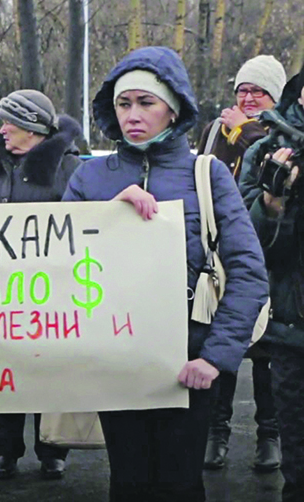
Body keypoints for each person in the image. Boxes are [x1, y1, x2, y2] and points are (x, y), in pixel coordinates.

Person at [62, 46, 269, 501]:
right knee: (128, 482)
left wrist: (214, 358)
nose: (132, 115)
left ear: (173, 109)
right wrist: (105, 216)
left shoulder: (207, 175)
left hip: (189, 366)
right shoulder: (88, 179)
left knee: (180, 484)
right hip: (116, 361)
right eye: (123, 103)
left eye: (146, 102)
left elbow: (249, 273)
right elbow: (56, 266)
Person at [0, 89, 83, 479]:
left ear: (33, 128)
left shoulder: (68, 169)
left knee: (48, 368)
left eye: (11, 122)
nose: (2, 129)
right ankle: (4, 449)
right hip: (0, 293)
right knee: (4, 370)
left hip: (52, 294)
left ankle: (52, 447)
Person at [197, 54, 286, 472]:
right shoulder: (215, 129)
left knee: (267, 349)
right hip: (221, 250)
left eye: (259, 91)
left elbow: (272, 165)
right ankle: (216, 432)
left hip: (269, 250)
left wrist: (244, 129)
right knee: (225, 339)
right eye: (242, 90)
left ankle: (270, 435)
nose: (248, 98)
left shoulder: (282, 131)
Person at [239, 64, 304, 502]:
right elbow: (250, 243)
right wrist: (272, 201)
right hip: (293, 328)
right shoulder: (267, 151)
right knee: (297, 457)